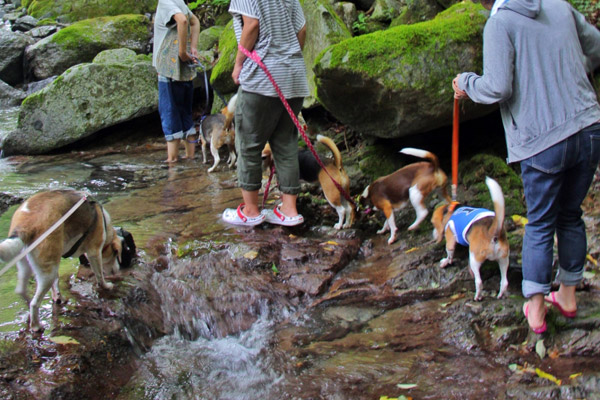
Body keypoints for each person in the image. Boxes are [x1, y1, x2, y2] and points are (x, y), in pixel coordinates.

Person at [452, 0, 600, 333]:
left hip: (542, 141)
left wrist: (466, 83)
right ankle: (568, 296)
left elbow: (498, 87)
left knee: (540, 223)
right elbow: (597, 47)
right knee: (571, 213)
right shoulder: (559, 5)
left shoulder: (499, 24)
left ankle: (535, 310)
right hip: (590, 128)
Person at [222, 0, 309, 227]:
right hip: (293, 77)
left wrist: (238, 64)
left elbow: (251, 25)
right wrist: (288, 57)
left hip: (261, 78)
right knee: (286, 145)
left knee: (249, 144)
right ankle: (289, 210)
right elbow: (302, 29)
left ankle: (250, 211)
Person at [152, 0, 200, 163]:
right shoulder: (178, 1)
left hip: (168, 69)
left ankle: (172, 161)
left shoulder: (165, 2)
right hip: (185, 70)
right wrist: (192, 48)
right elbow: (195, 21)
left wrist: (181, 52)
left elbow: (183, 20)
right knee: (185, 113)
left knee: (169, 112)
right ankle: (191, 157)